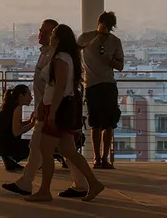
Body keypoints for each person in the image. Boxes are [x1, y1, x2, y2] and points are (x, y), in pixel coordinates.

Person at [24, 25, 104, 203]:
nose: (50, 37)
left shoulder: (60, 57)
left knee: (46, 149)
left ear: (58, 39)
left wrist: (51, 112)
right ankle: (93, 183)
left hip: (58, 108)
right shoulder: (69, 57)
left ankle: (45, 190)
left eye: (53, 35)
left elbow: (59, 86)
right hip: (65, 107)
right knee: (68, 150)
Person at [77, 11, 124, 170]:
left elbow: (120, 66)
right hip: (92, 84)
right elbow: (75, 52)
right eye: (104, 25)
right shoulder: (86, 38)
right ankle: (97, 158)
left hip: (107, 84)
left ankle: (104, 158)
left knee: (109, 123)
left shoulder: (115, 42)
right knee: (95, 123)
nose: (105, 29)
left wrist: (110, 60)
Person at [0, 85, 33, 171]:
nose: (31, 98)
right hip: (2, 146)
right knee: (35, 144)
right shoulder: (17, 108)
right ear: (21, 96)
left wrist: (29, 121)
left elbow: (15, 125)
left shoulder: (9, 105)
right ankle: (11, 157)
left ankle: (8, 160)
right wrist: (33, 123)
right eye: (29, 95)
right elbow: (17, 131)